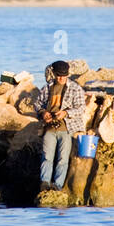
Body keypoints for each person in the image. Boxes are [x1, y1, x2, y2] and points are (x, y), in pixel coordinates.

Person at [34, 60, 85, 191]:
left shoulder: (75, 88)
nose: (61, 78)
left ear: (68, 74)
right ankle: (44, 183)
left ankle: (57, 185)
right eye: (59, 75)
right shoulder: (47, 87)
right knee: (46, 156)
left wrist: (66, 113)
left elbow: (81, 109)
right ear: (54, 74)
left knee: (63, 159)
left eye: (64, 75)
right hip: (49, 128)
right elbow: (37, 104)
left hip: (66, 129)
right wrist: (43, 112)